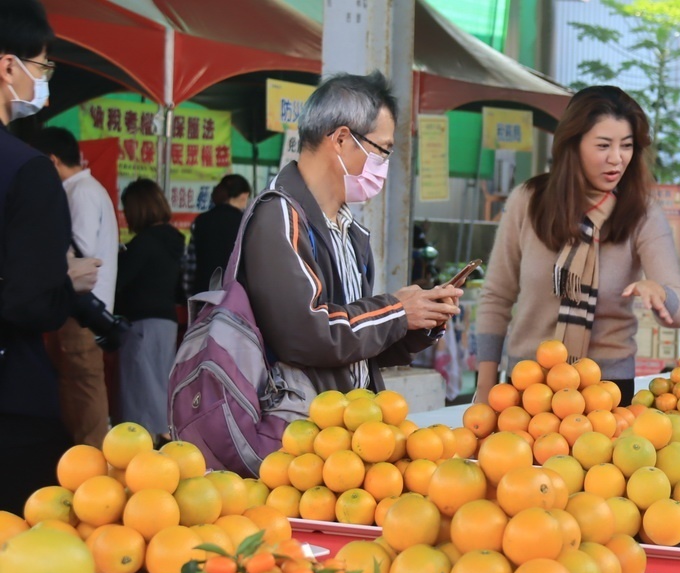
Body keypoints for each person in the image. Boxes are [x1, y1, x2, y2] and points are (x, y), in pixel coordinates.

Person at [238, 71, 461, 405]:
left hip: (350, 424)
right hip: (300, 431)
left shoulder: (348, 229)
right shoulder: (280, 218)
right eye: (382, 150)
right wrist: (397, 312)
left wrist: (419, 320)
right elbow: (307, 335)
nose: (384, 164)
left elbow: (354, 345)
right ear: (341, 139)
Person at [475, 85, 680, 405]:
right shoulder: (529, 201)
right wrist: (486, 385)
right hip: (527, 380)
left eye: (627, 146)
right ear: (572, 144)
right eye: (603, 145)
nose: (616, 159)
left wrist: (663, 297)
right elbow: (496, 296)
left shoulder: (641, 212)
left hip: (606, 385)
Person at [0, 0, 100, 513]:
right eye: (42, 66)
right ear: (8, 66)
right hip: (11, 401)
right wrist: (65, 283)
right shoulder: (25, 169)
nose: (44, 79)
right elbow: (29, 303)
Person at [30, 126, 120, 448]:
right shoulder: (83, 189)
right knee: (75, 388)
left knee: (83, 389)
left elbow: (77, 254)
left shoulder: (79, 192)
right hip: (75, 307)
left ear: (51, 161)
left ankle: (93, 466)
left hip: (81, 309)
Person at [115, 179, 183, 443]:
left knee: (139, 393)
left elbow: (119, 282)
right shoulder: (174, 242)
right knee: (159, 389)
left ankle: (143, 451)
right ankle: (164, 443)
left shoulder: (143, 243)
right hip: (166, 322)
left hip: (141, 323)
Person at [187, 173, 250, 295]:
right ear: (243, 196)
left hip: (203, 296)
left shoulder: (201, 220)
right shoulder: (246, 223)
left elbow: (190, 265)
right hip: (235, 299)